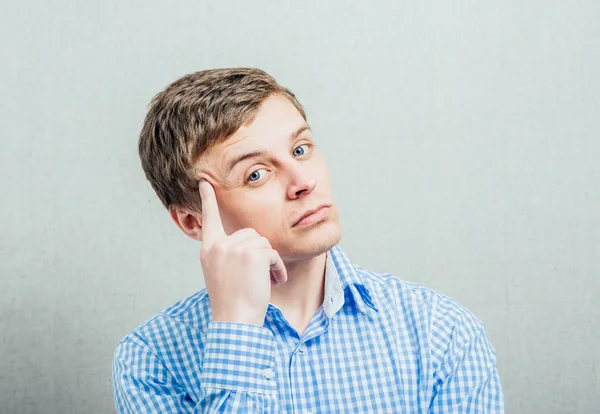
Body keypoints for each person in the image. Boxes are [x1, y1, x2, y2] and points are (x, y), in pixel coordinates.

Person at [112, 67, 505, 413]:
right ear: (193, 221)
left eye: (301, 149)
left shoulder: (441, 333)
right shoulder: (151, 362)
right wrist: (237, 328)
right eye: (256, 174)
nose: (303, 182)